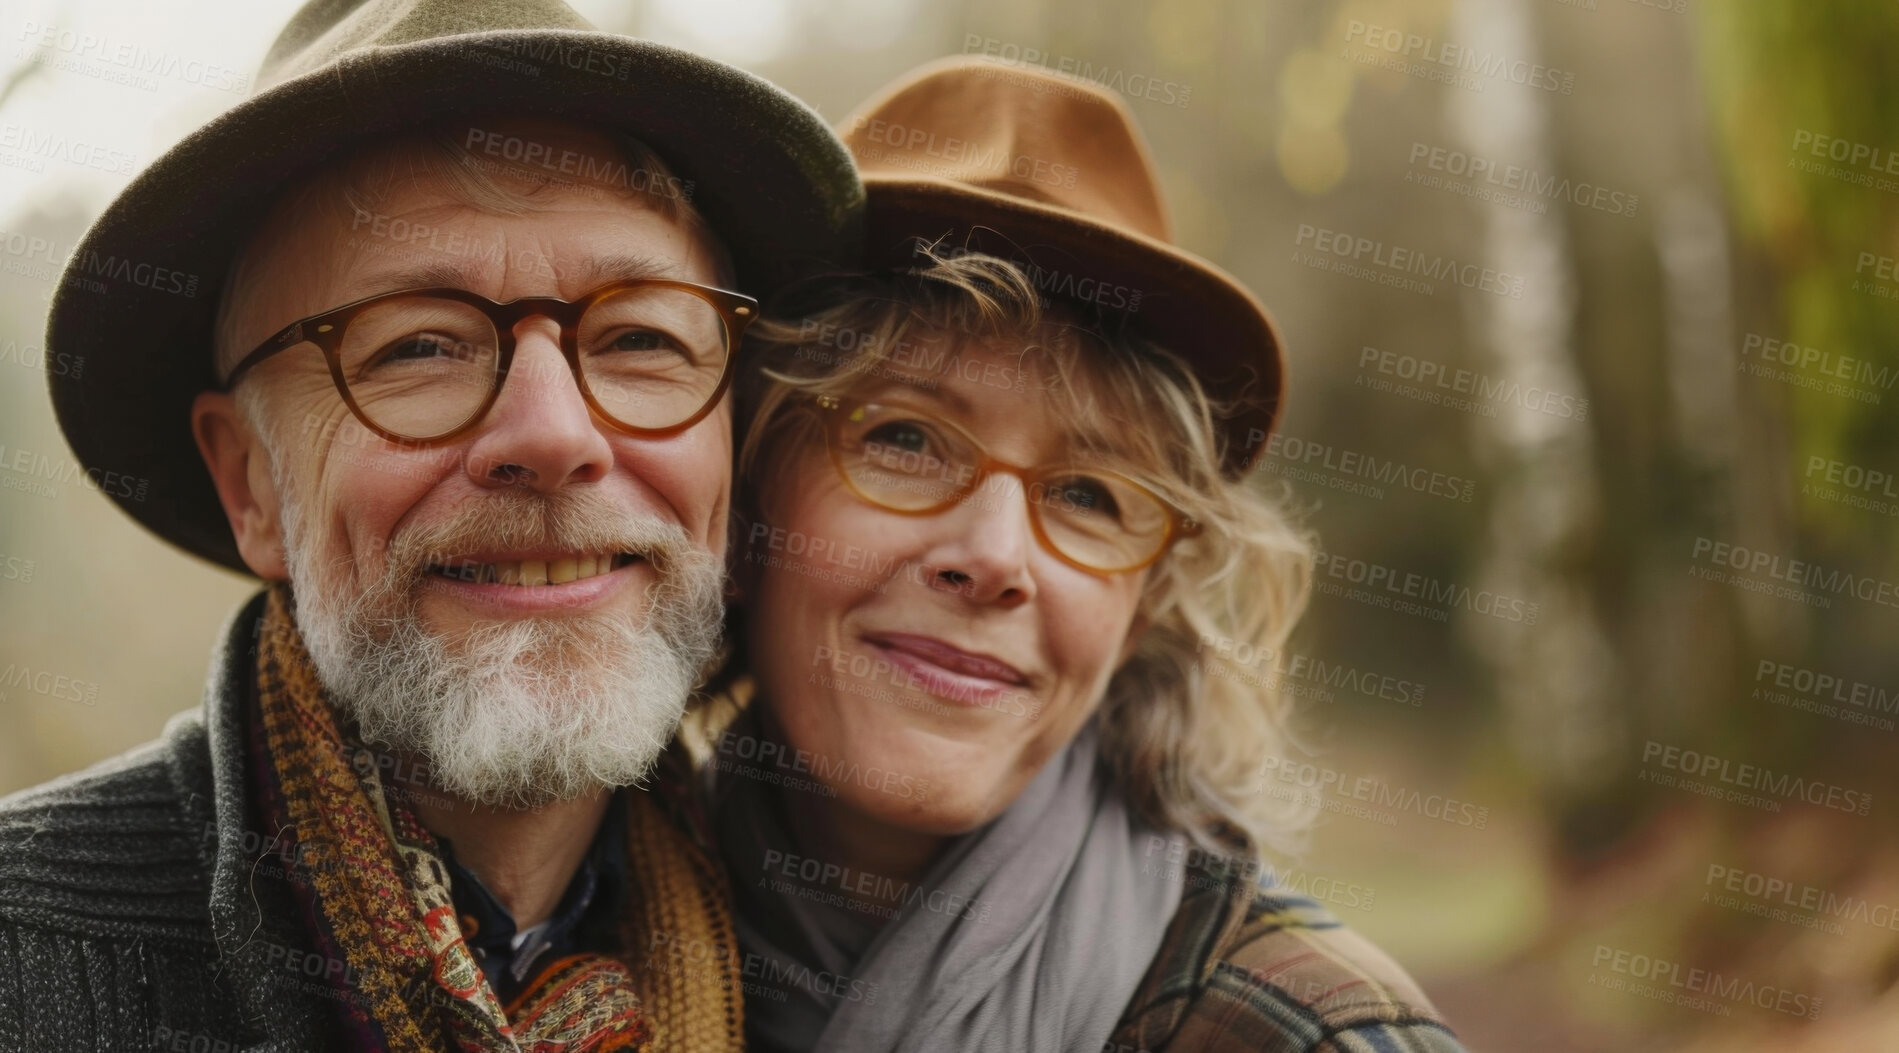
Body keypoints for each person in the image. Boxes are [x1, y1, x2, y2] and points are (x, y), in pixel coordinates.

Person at [0, 0, 859, 1049]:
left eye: (639, 335)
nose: (553, 434)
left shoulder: (834, 970)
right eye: (417, 347)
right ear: (251, 485)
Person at [700, 58, 1467, 1052]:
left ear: (1144, 603)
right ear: (746, 503)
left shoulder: (1317, 1034)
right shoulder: (558, 955)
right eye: (902, 438)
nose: (994, 557)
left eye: (1089, 495)